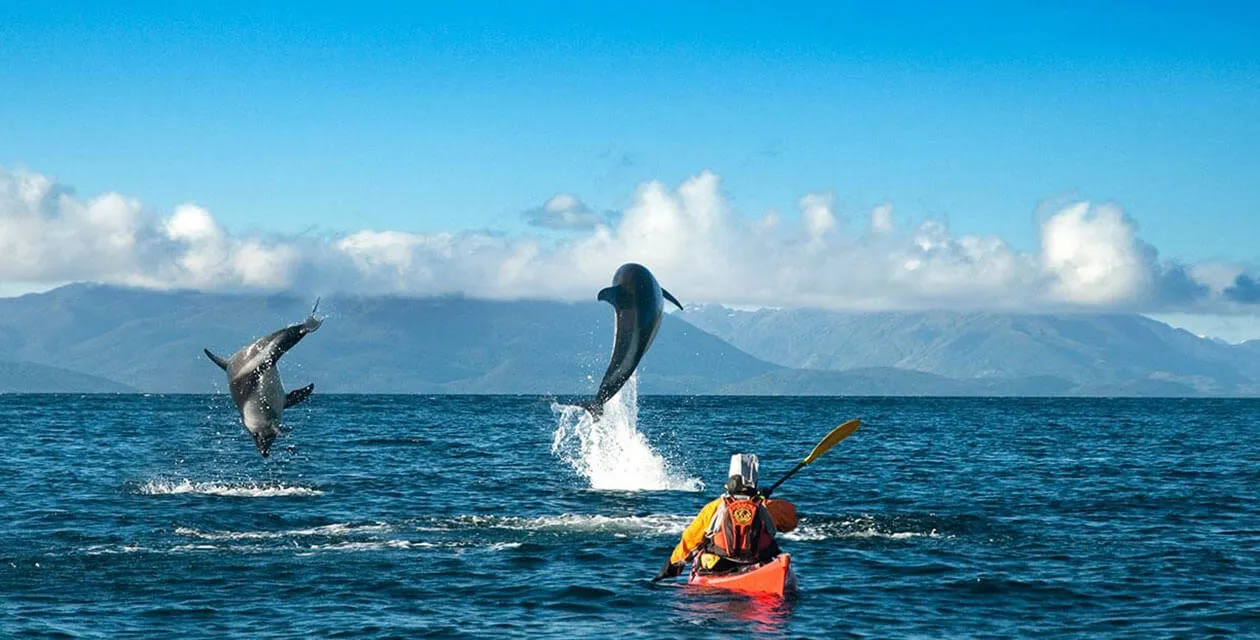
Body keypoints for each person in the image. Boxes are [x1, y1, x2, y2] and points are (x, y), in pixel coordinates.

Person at [656, 453, 798, 580]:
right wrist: (764, 500)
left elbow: (690, 539)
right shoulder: (767, 507)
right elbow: (791, 523)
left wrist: (672, 566)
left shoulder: (714, 507)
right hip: (757, 563)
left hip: (719, 567)